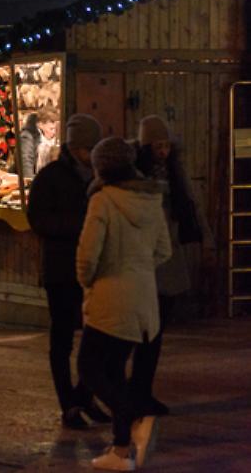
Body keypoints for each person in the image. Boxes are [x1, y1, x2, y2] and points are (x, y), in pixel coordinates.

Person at [76, 137, 171, 471]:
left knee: (90, 367)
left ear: (101, 167)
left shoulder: (102, 201)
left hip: (109, 300)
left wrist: (89, 281)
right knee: (114, 370)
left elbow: (88, 257)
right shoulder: (150, 199)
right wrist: (139, 268)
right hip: (144, 299)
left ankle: (134, 416)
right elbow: (164, 250)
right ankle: (120, 450)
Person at [27, 113, 110, 429]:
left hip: (94, 270)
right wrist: (80, 226)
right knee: (62, 339)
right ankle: (69, 405)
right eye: (87, 148)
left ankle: (83, 395)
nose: (90, 154)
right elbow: (38, 219)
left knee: (98, 339)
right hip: (61, 269)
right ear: (75, 147)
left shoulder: (100, 177)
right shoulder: (50, 177)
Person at [131, 115, 210, 417]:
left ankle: (141, 390)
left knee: (156, 331)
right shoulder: (136, 178)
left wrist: (206, 241)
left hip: (168, 257)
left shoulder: (175, 173)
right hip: (145, 261)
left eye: (166, 145)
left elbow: (189, 204)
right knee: (136, 333)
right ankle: (123, 392)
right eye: (157, 145)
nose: (163, 151)